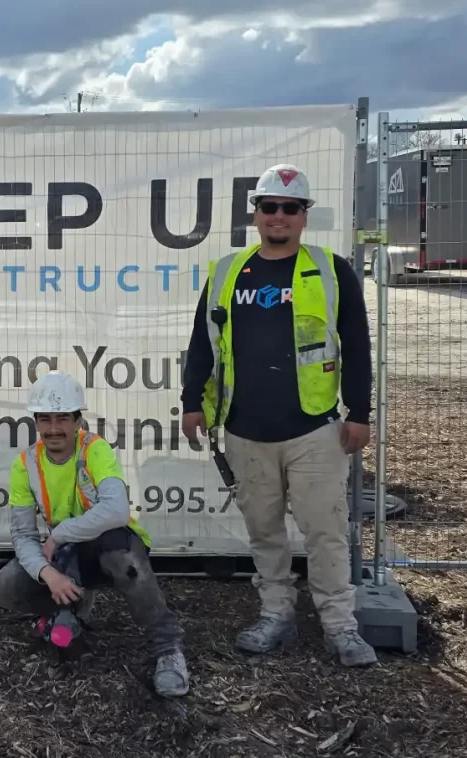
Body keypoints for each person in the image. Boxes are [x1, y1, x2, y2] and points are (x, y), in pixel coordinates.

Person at [180, 164, 376, 667]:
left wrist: (359, 412)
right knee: (265, 533)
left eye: (291, 208)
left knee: (325, 532)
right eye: (270, 207)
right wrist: (190, 404)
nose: (279, 217)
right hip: (245, 429)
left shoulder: (332, 270)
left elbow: (355, 344)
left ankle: (341, 627)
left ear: (304, 216)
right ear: (256, 214)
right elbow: (203, 346)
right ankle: (276, 616)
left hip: (314, 428)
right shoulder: (227, 271)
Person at [0, 371, 189, 697]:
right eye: (45, 419)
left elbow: (116, 511)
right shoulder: (25, 463)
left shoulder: (94, 449)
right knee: (5, 586)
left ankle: (168, 649)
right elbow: (23, 535)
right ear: (36, 422)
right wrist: (47, 574)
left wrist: (60, 535)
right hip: (65, 556)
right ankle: (67, 608)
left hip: (105, 549)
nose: (54, 428)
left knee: (126, 559)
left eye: (62, 418)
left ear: (78, 420)